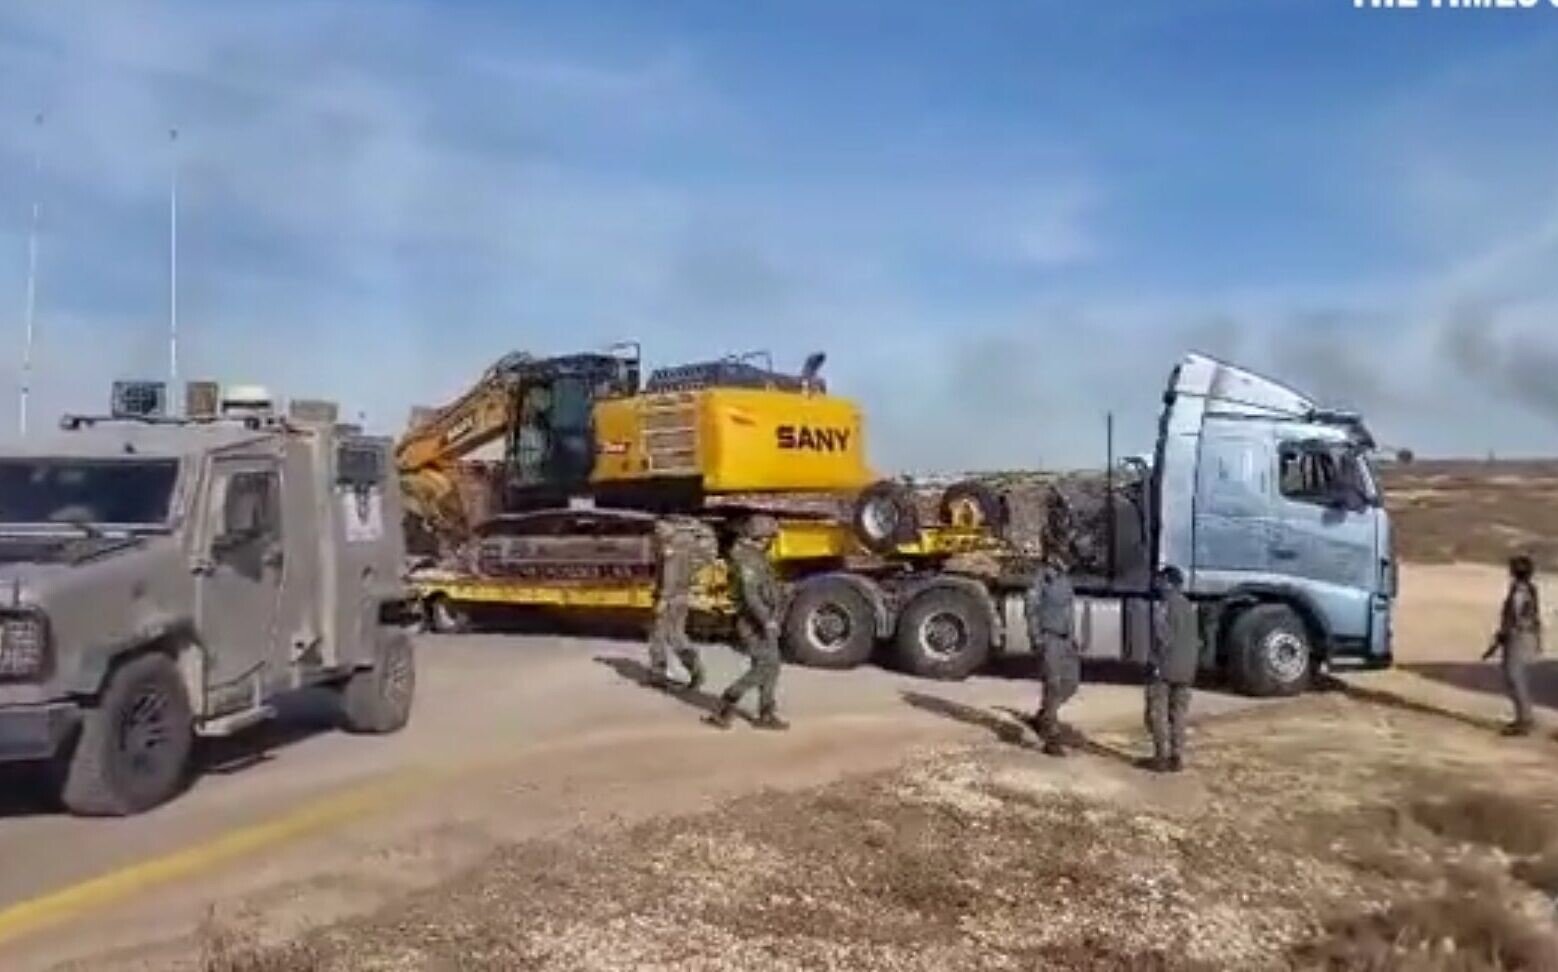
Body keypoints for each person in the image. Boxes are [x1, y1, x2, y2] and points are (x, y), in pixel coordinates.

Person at [705, 515, 787, 731]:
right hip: (752, 622)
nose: (771, 540)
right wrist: (766, 620)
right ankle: (729, 700)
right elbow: (750, 595)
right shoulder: (744, 559)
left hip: (765, 618)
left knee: (772, 666)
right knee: (766, 665)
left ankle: (766, 712)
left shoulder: (756, 555)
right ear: (759, 536)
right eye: (769, 536)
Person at [1145, 565, 1200, 773]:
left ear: (1168, 582)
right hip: (1186, 670)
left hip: (1166, 668)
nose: (1158, 584)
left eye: (1161, 580)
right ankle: (1177, 757)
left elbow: (1162, 638)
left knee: (1157, 712)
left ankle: (1161, 757)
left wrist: (1156, 664)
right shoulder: (1189, 606)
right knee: (1179, 714)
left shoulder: (1165, 606)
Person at [1483, 554, 1543, 736]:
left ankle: (1524, 720)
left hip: (1518, 636)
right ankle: (1524, 718)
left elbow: (1516, 617)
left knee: (1514, 677)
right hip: (1524, 635)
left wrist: (1502, 637)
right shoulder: (1529, 589)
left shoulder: (1520, 591)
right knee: (1516, 677)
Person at [1026, 550, 1078, 757]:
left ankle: (1045, 715)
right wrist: (1035, 636)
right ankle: (1051, 737)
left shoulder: (1065, 581)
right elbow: (1030, 608)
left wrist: (1073, 637)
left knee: (1071, 683)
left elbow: (1069, 610)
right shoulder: (1042, 579)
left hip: (1066, 639)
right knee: (1053, 685)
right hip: (1050, 637)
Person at [646, 519, 705, 692]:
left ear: (670, 527)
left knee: (660, 635)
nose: (657, 531)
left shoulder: (670, 548)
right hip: (682, 596)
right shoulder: (689, 544)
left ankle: (659, 674)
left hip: (670, 598)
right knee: (677, 634)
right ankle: (695, 670)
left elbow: (669, 576)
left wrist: (663, 599)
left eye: (660, 528)